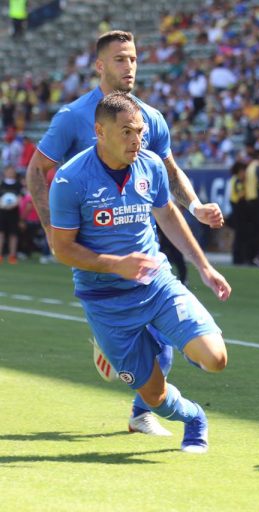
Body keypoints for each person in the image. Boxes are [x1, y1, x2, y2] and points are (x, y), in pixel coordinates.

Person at [25, 30, 224, 436]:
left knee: (166, 341)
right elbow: (36, 170)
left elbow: (167, 174)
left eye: (133, 58)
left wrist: (196, 205)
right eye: (119, 59)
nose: (128, 66)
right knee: (138, 335)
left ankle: (144, 406)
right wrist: (52, 230)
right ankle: (126, 361)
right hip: (96, 254)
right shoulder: (73, 118)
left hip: (143, 248)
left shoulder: (149, 118)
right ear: (100, 65)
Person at [0, 165, 23, 264]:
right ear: (5, 172)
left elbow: (20, 197)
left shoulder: (18, 185)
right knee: (1, 234)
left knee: (13, 234)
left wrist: (13, 204)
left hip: (14, 212)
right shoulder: (1, 184)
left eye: (11, 171)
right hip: (2, 211)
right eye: (8, 170)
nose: (10, 172)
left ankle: (12, 256)